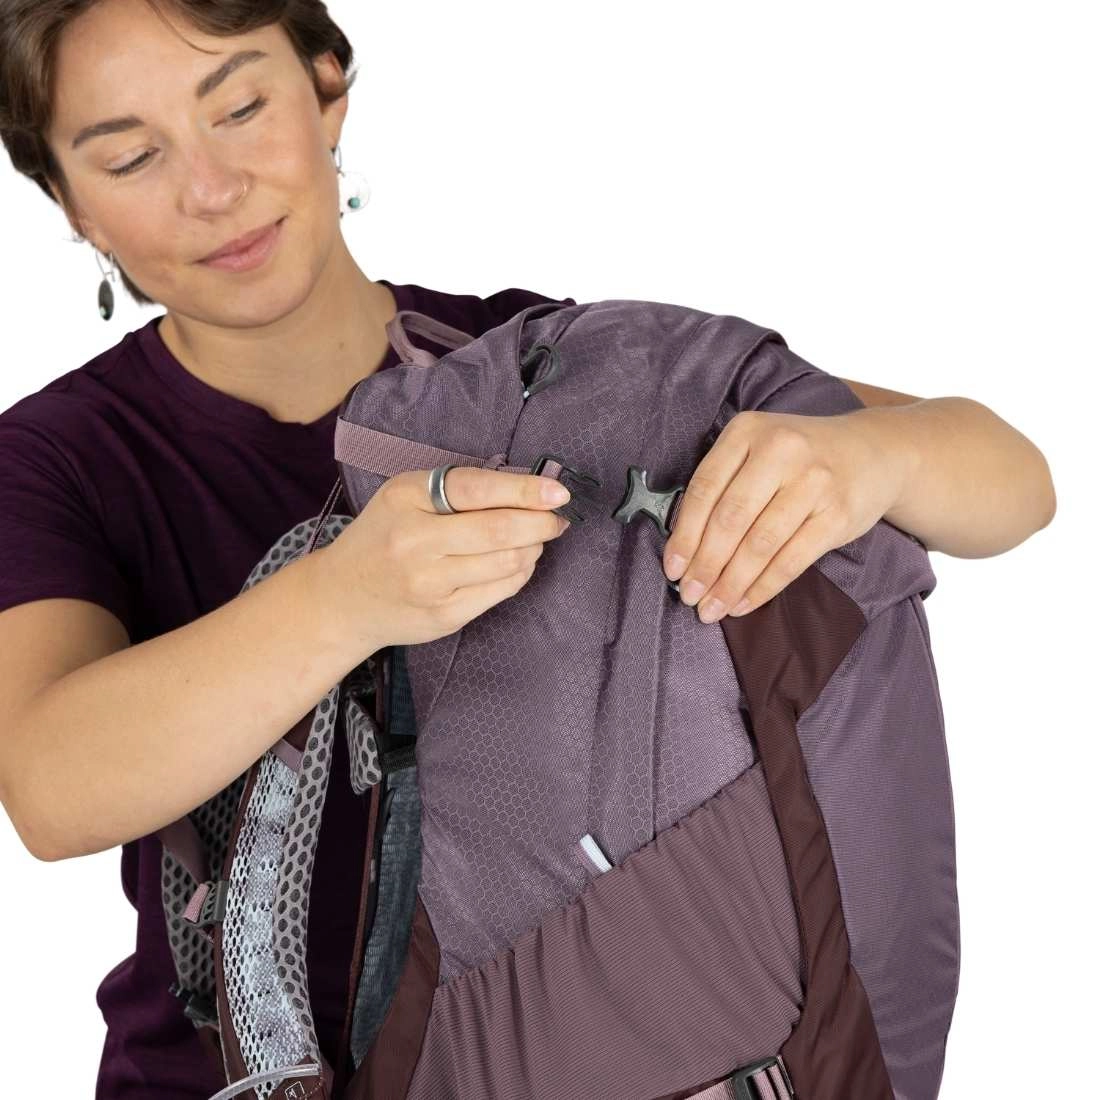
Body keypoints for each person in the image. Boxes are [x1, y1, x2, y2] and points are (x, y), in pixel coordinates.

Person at [0, 1, 575, 1096]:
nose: (211, 189)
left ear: (326, 90)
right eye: (130, 158)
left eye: (240, 109)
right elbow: (47, 785)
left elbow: (950, 468)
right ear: (73, 207)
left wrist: (859, 458)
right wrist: (344, 598)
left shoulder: (540, 363)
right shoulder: (54, 459)